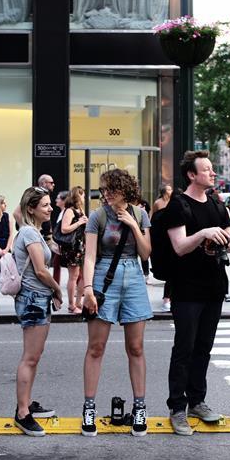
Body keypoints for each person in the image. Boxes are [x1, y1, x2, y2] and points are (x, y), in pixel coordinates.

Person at [163, 150, 230, 435]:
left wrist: (223, 240)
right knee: (185, 347)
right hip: (186, 287)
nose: (212, 173)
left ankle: (197, 400)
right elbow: (179, 246)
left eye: (212, 168)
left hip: (214, 286)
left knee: (204, 347)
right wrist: (204, 234)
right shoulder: (178, 205)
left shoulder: (218, 204)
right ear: (192, 175)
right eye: (206, 169)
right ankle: (177, 407)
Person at [80, 169, 152, 437]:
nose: (106, 194)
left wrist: (133, 225)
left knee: (136, 347)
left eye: (111, 189)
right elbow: (89, 256)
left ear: (125, 189)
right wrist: (87, 289)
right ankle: (89, 408)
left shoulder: (140, 214)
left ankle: (140, 408)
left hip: (134, 276)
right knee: (96, 347)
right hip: (103, 278)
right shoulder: (98, 216)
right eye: (104, 190)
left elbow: (146, 253)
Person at [12, 186, 62, 436]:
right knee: (30, 357)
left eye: (50, 203)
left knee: (34, 356)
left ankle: (26, 402)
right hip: (33, 298)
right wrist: (57, 289)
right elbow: (41, 271)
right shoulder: (29, 233)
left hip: (37, 298)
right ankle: (22, 413)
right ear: (31, 208)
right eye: (45, 205)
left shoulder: (35, 232)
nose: (50, 207)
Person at [60, 186, 88, 314]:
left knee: (84, 275)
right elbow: (64, 229)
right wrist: (79, 222)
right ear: (78, 196)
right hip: (72, 247)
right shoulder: (70, 211)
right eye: (82, 195)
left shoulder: (80, 209)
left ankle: (78, 302)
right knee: (74, 276)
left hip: (82, 245)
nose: (84, 197)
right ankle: (71, 305)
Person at [151, 184, 174, 312]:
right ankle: (167, 298)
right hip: (161, 238)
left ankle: (169, 297)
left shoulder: (173, 203)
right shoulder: (158, 202)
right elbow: (153, 218)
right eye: (169, 189)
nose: (171, 191)